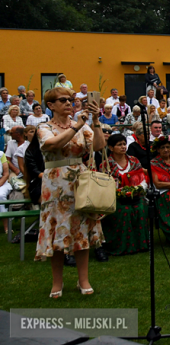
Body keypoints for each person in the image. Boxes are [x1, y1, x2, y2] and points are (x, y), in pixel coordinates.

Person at [36, 86, 106, 298]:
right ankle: (57, 283)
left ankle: (83, 280)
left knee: (81, 231)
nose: (69, 103)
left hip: (79, 182)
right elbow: (52, 144)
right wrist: (77, 126)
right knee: (56, 231)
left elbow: (99, 146)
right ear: (51, 105)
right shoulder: (44, 126)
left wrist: (95, 122)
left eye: (71, 100)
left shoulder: (82, 125)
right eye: (63, 100)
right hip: (55, 184)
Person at [102, 134, 149, 256]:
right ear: (111, 148)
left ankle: (141, 244)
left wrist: (137, 189)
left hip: (135, 195)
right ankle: (121, 246)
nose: (123, 147)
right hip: (115, 197)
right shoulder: (106, 164)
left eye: (124, 144)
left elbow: (142, 179)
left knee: (140, 207)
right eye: (119, 145)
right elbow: (105, 185)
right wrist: (121, 192)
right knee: (125, 211)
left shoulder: (134, 161)